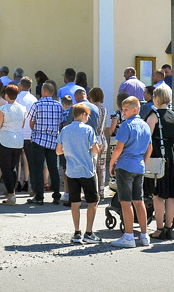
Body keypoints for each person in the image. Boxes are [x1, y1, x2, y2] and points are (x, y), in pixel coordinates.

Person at [107, 96, 151, 248]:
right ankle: (145, 236)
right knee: (139, 201)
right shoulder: (145, 125)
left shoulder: (126, 125)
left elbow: (119, 148)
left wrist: (111, 164)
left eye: (126, 110)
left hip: (125, 165)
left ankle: (129, 236)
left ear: (135, 109)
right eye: (123, 110)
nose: (123, 112)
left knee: (126, 203)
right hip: (139, 165)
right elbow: (149, 148)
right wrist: (143, 163)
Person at [56, 103, 101, 244]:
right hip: (87, 170)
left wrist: (70, 150)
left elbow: (58, 151)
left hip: (71, 171)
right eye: (87, 115)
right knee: (93, 201)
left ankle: (77, 232)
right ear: (83, 114)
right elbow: (95, 149)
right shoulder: (88, 130)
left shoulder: (65, 130)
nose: (88, 117)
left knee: (74, 203)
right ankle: (89, 232)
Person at [145, 84, 174, 240]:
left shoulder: (153, 115)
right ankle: (168, 227)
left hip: (158, 156)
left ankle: (159, 228)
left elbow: (146, 138)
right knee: (171, 195)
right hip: (173, 155)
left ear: (157, 98)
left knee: (158, 195)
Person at [26, 80, 63, 205]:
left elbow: (31, 122)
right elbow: (60, 123)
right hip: (53, 140)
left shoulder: (37, 104)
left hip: (39, 139)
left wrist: (37, 129)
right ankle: (56, 195)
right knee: (53, 168)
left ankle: (39, 196)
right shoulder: (59, 105)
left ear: (44, 91)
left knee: (38, 168)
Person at [0, 85, 27, 205]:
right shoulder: (23, 108)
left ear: (6, 95)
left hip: (4, 139)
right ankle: (11, 190)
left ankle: (11, 194)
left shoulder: (3, 109)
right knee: (13, 166)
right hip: (18, 140)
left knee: (5, 167)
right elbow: (22, 125)